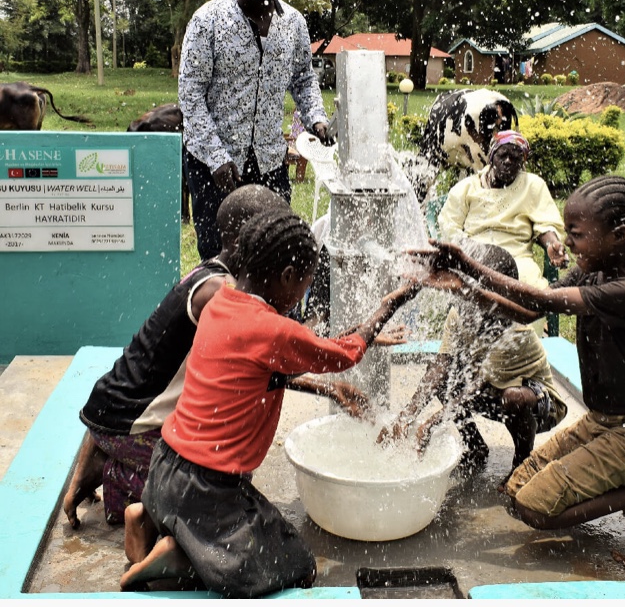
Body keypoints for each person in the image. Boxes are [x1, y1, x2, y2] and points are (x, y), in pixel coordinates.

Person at [120, 210, 421, 597]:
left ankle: (146, 517)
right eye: (307, 282)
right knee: (293, 564)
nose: (304, 292)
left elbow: (292, 351)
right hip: (207, 490)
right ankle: (178, 560)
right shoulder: (273, 329)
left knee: (229, 526)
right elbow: (342, 355)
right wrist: (391, 303)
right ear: (288, 276)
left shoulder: (221, 304)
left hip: (163, 470)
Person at [415, 176, 625, 553]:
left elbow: (544, 300)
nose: (567, 242)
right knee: (514, 488)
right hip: (601, 421)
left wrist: (469, 267)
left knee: (534, 509)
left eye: (577, 234)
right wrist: (467, 289)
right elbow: (530, 310)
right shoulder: (594, 271)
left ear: (619, 235)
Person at [63, 185, 292, 529]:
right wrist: (331, 386)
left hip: (114, 406)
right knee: (216, 496)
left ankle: (111, 460)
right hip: (132, 421)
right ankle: (115, 470)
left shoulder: (211, 272)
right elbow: (263, 364)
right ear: (253, 241)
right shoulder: (222, 294)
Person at [179, 0, 331, 260]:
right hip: (213, 162)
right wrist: (217, 156)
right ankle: (219, 310)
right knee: (219, 254)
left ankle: (265, 312)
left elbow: (303, 79)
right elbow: (191, 95)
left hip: (269, 159)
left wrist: (317, 119)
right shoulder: (208, 20)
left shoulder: (294, 23)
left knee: (275, 249)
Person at [378, 242, 566, 479]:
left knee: (514, 397)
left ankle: (522, 463)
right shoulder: (459, 314)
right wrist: (406, 416)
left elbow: (474, 386)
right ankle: (475, 447)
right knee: (442, 377)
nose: (467, 299)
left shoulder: (514, 331)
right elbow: (440, 366)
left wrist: (429, 425)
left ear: (498, 296)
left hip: (539, 407)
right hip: (493, 392)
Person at [437, 129, 568, 291]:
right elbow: (449, 225)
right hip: (476, 255)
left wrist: (552, 243)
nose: (507, 161)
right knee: (472, 294)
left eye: (514, 158)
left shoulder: (533, 185)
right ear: (492, 157)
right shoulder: (467, 187)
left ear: (522, 163)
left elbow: (546, 223)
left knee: (533, 294)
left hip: (519, 258)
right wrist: (470, 251)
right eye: (502, 155)